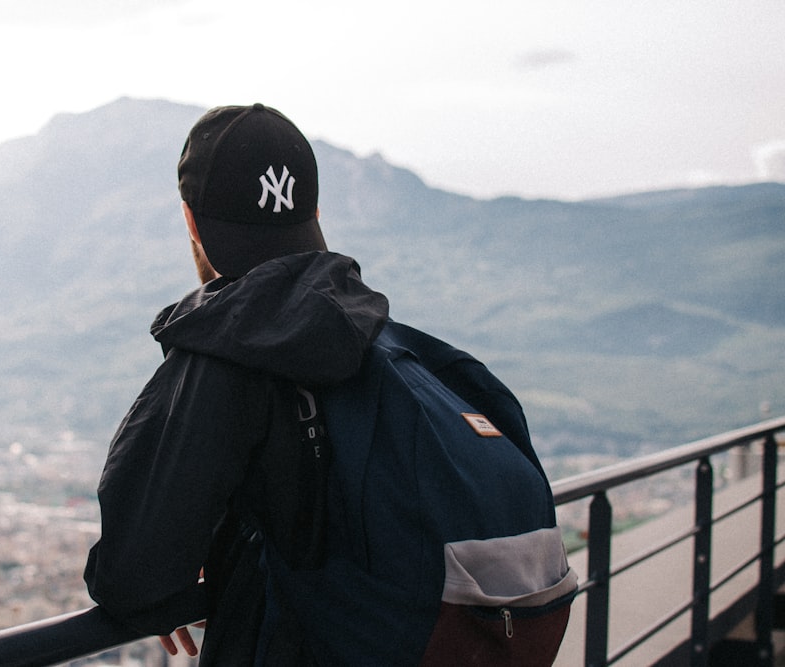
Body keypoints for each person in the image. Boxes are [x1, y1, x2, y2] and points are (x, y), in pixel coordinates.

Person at [84, 103, 570, 665]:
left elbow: (131, 577)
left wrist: (178, 586)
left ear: (191, 222)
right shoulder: (405, 347)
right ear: (314, 211)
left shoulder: (228, 348)